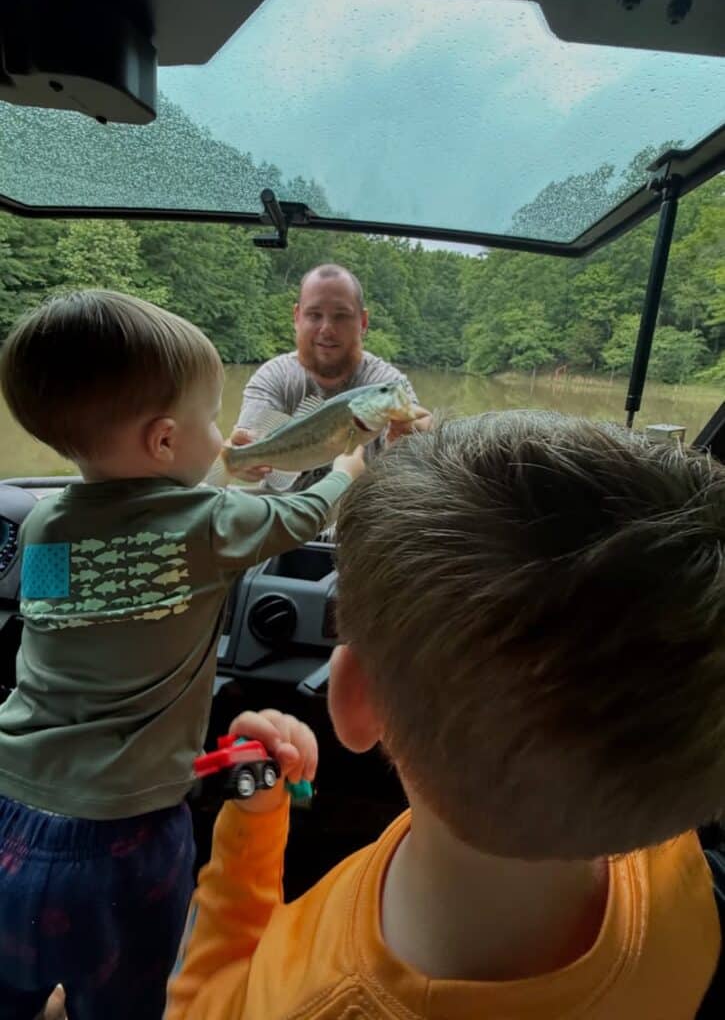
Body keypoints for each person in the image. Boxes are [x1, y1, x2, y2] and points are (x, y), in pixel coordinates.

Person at [166, 410, 725, 1020]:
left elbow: (200, 999)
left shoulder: (312, 1006)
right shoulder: (676, 863)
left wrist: (253, 817)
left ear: (353, 699)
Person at [0, 289, 365, 1020]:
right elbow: (297, 516)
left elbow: (57, 616)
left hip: (13, 803)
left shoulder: (43, 526)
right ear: (165, 442)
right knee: (128, 999)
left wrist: (228, 477)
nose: (223, 435)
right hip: (127, 834)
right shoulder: (210, 524)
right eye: (212, 420)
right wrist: (345, 471)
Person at [232, 263, 432, 489]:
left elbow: (411, 468)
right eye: (314, 315)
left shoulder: (387, 383)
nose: (327, 329)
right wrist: (240, 458)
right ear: (297, 317)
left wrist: (419, 442)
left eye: (341, 316)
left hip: (357, 508)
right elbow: (246, 439)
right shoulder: (273, 376)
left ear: (363, 322)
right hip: (283, 506)